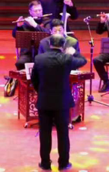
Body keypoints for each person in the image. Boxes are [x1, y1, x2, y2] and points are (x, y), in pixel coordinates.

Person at [32, 34, 87, 171]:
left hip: (44, 101)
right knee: (63, 133)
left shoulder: (39, 59)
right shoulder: (67, 59)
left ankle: (45, 163)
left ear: (50, 44)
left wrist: (41, 91)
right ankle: (63, 163)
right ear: (63, 46)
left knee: (45, 133)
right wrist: (73, 52)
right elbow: (83, 60)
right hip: (62, 102)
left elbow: (34, 79)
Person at [12, 0, 50, 70]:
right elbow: (15, 35)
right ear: (30, 12)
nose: (38, 12)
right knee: (20, 63)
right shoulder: (26, 22)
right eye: (35, 11)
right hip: (28, 53)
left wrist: (35, 25)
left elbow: (48, 33)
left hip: (43, 52)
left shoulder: (47, 21)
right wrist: (18, 26)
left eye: (40, 10)